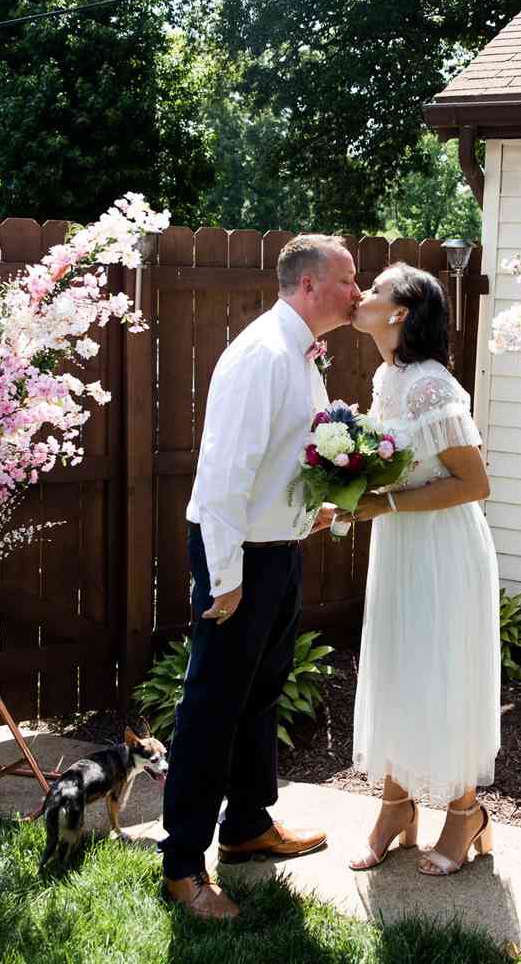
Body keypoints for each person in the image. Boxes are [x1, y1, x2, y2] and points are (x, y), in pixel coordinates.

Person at [158, 234, 359, 919]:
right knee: (211, 709)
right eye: (347, 281)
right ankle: (182, 868)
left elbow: (279, 463)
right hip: (237, 556)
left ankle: (245, 827)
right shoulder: (262, 355)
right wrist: (225, 578)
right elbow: (222, 477)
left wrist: (311, 514)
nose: (357, 294)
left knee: (259, 695)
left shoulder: (303, 357)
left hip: (278, 551)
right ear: (307, 286)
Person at [342, 263, 502, 876]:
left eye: (376, 290)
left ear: (401, 312)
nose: (362, 295)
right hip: (402, 545)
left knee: (439, 674)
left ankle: (464, 815)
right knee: (395, 667)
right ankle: (395, 808)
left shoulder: (432, 386)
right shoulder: (388, 376)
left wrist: (375, 504)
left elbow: (474, 483)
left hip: (443, 552)